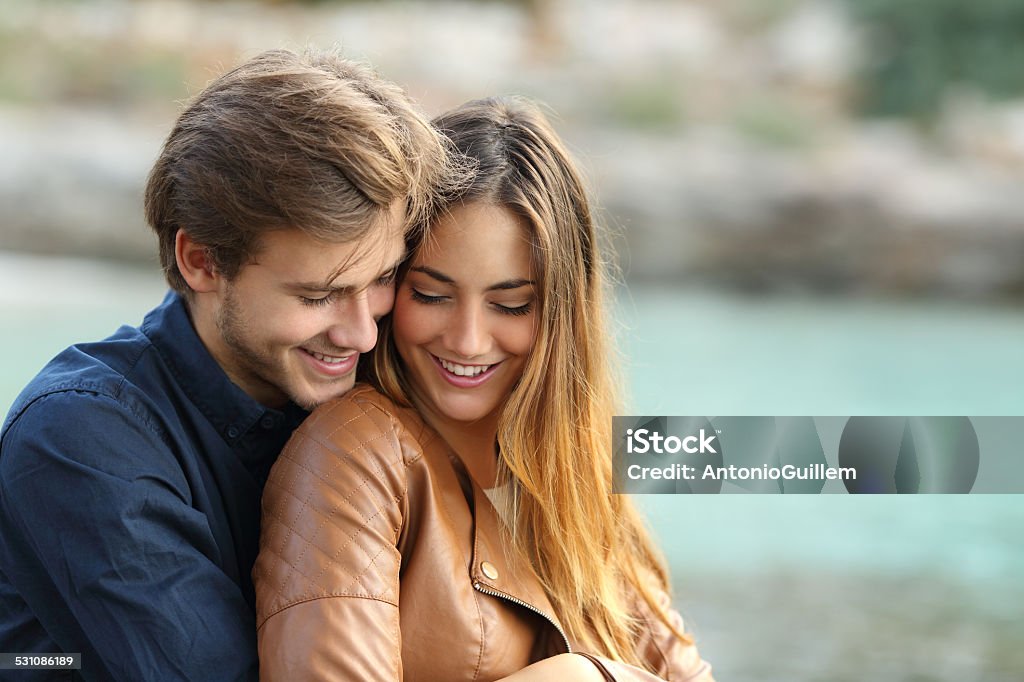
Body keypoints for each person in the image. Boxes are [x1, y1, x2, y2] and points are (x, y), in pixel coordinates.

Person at [0, 48, 456, 680]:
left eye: (382, 279)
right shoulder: (77, 442)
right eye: (317, 295)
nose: (360, 333)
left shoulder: (379, 385)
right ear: (202, 262)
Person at [254, 97, 713, 681]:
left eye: (510, 304)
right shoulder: (354, 453)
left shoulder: (574, 477)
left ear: (561, 314)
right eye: (432, 295)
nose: (468, 341)